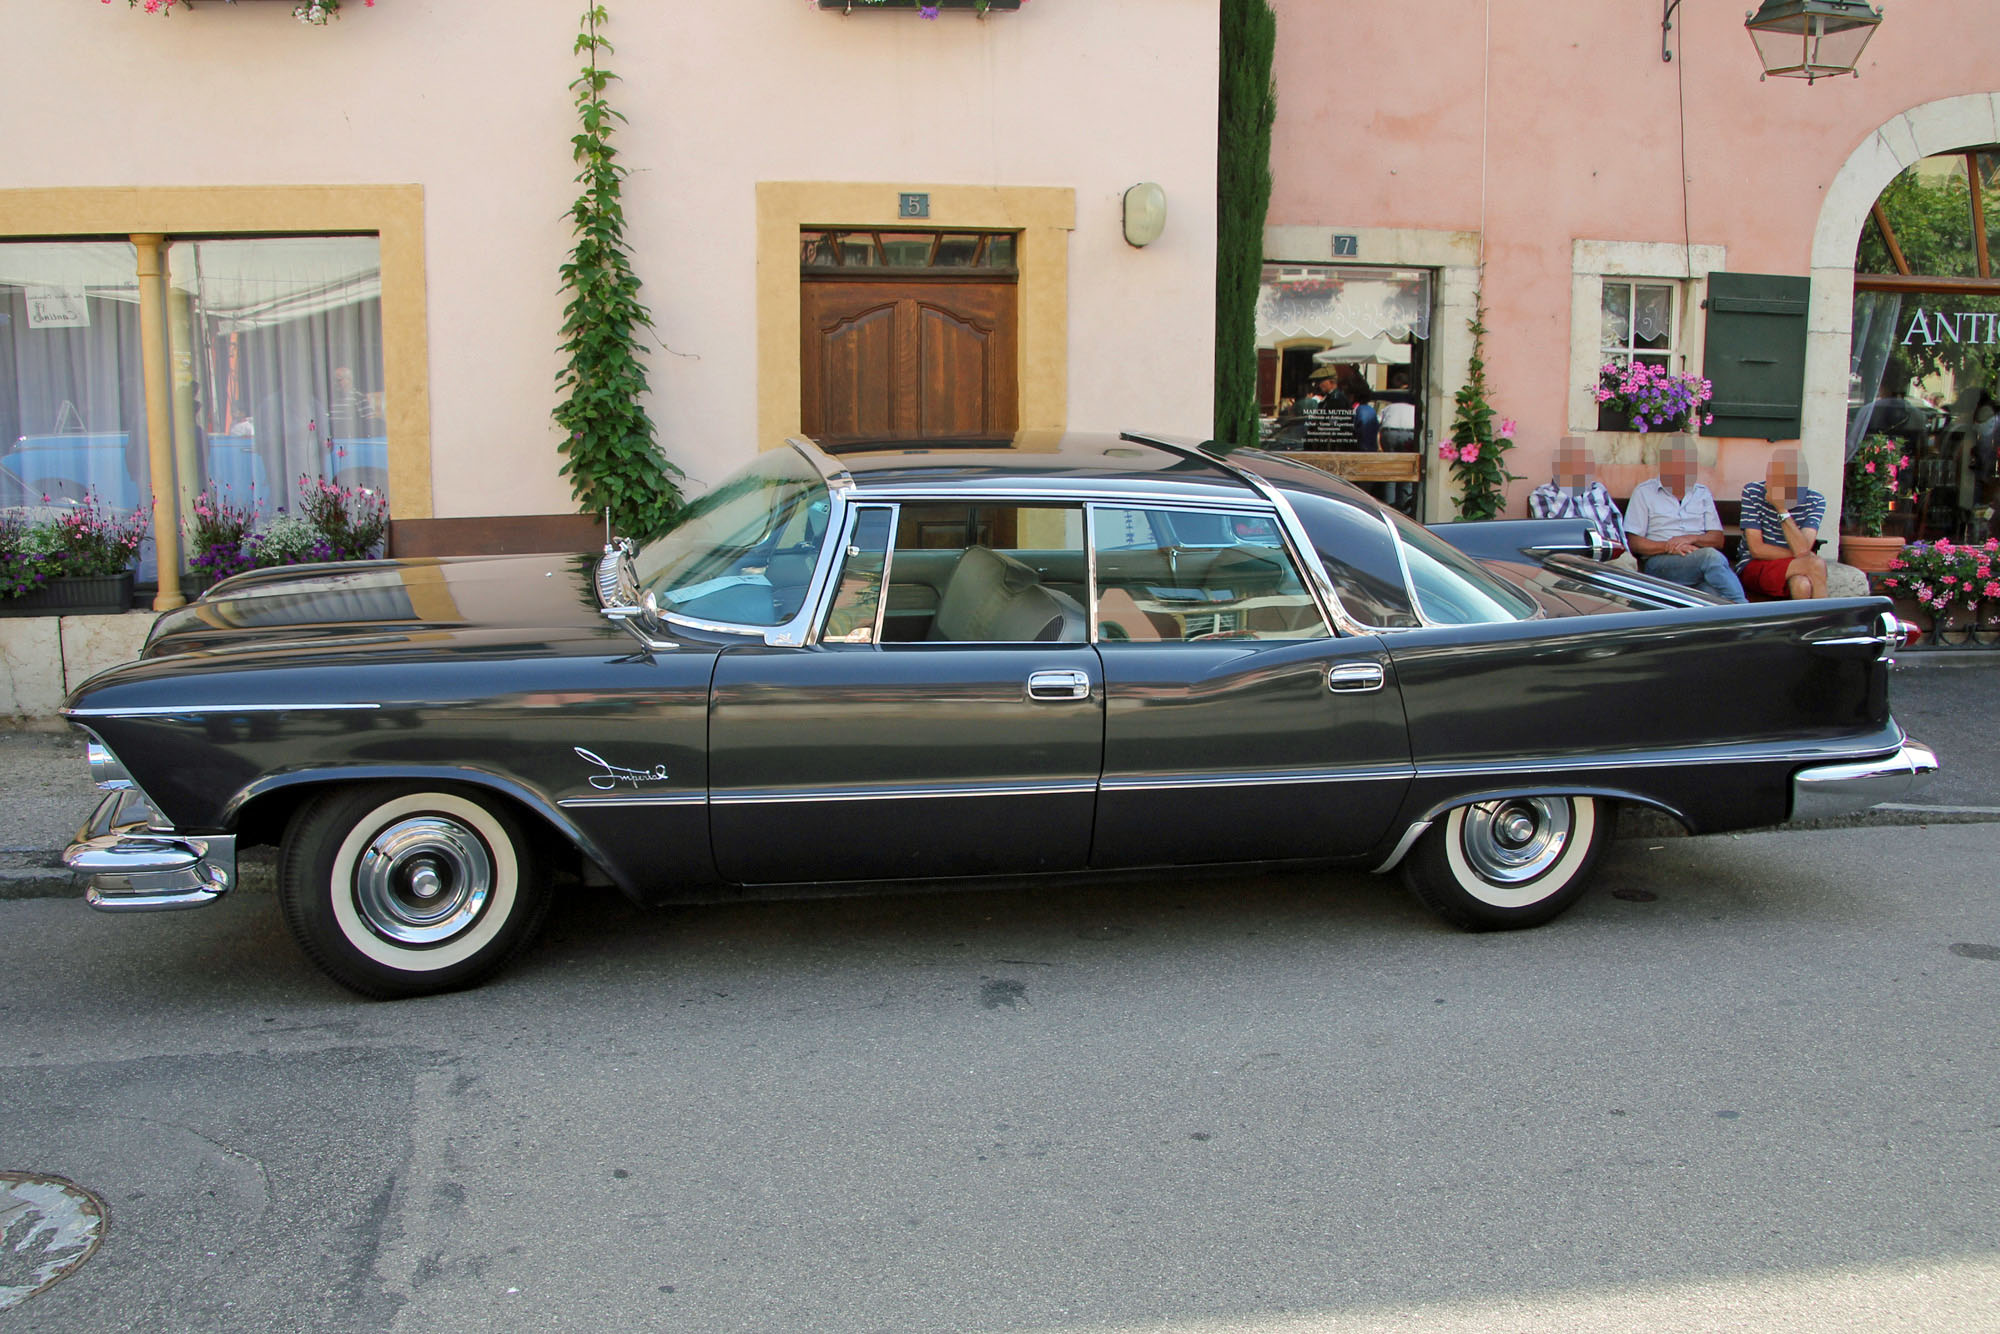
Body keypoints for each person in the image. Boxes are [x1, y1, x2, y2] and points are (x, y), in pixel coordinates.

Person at [1625, 440, 1746, 602]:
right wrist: (1669, 547)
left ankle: (1734, 618)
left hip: (1699, 562)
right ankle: (1747, 610)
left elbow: (1718, 539)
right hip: (1660, 564)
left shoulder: (1702, 493)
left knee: (1712, 593)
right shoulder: (1644, 493)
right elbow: (1633, 542)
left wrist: (1691, 538)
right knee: (1710, 557)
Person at [1737, 447, 1827, 600]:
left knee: (1802, 585)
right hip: (1755, 565)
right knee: (1815, 564)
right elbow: (1757, 550)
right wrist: (1804, 557)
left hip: (1794, 567)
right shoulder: (1752, 492)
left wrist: (1782, 509)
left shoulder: (1815, 501)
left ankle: (1800, 624)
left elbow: (1803, 549)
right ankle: (1826, 621)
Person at [1530, 436, 1628, 558]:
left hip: (1612, 557)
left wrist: (1626, 553)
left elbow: (1616, 521)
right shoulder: (1541, 495)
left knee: (1626, 565)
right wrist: (1567, 488)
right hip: (1573, 560)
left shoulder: (1598, 489)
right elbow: (1550, 531)